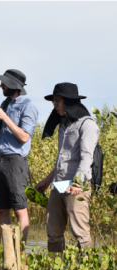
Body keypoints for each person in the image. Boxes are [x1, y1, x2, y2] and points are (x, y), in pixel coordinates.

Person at [35, 82, 100, 253]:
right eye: (53, 101)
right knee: (53, 232)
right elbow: (62, 159)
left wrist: (77, 183)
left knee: (81, 234)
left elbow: (87, 157)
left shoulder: (87, 125)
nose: (55, 105)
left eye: (58, 101)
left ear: (69, 102)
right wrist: (47, 181)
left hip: (77, 185)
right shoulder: (62, 125)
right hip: (59, 184)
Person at [0, 69, 38, 243]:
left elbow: (24, 137)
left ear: (15, 86)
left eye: (4, 83)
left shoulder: (28, 106)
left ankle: (20, 250)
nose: (1, 85)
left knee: (19, 209)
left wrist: (6, 118)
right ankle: (5, 250)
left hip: (15, 161)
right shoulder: (5, 103)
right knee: (2, 209)